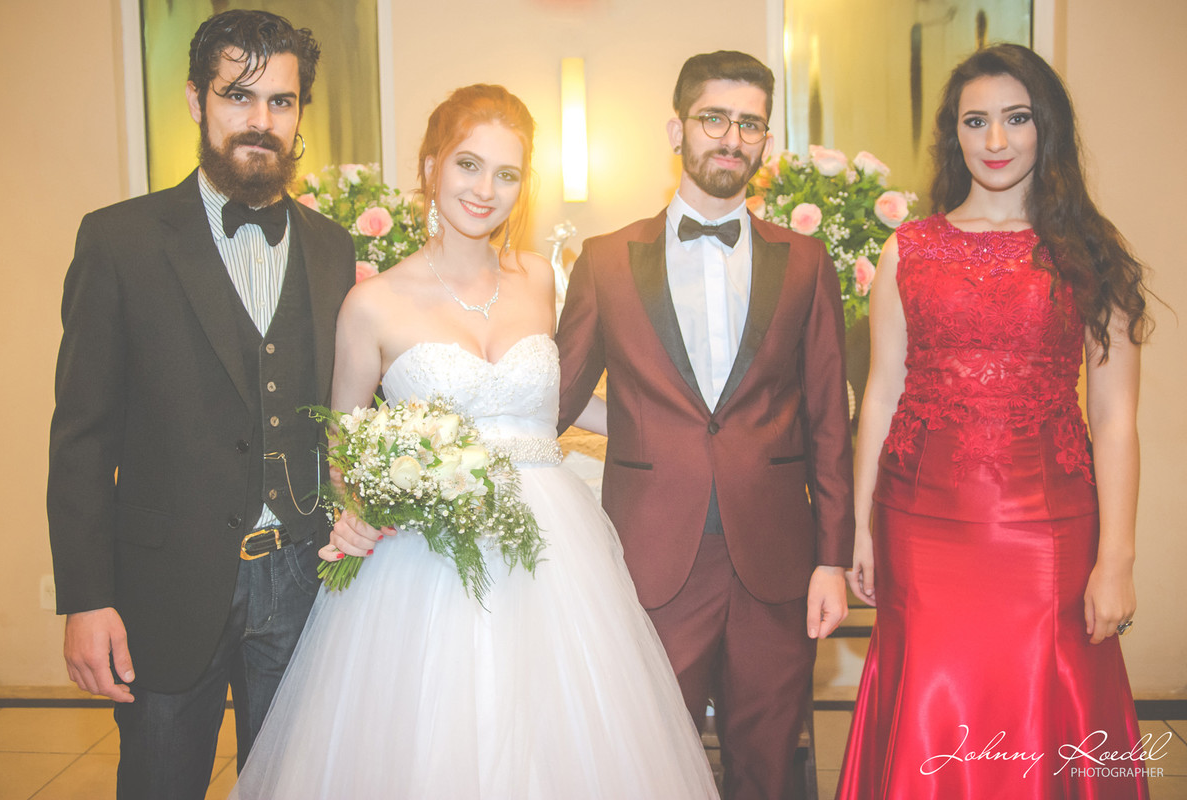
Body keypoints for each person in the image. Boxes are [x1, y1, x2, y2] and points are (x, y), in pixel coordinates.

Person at [229, 84, 720, 799]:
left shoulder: (539, 280)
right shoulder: (373, 303)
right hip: (426, 560)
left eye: (506, 173)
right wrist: (355, 507)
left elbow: (557, 404)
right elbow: (342, 444)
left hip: (553, 550)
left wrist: (678, 427)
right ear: (432, 167)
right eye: (468, 164)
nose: (485, 190)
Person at [47, 10, 355, 799]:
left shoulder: (333, 248)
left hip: (303, 582)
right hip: (166, 588)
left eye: (281, 101)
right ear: (195, 99)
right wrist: (87, 600)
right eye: (237, 96)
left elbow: (347, 414)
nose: (260, 120)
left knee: (292, 786)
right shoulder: (119, 242)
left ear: (300, 112)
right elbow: (82, 438)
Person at [836, 44, 1150, 799]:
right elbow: (881, 393)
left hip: (1048, 534)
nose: (997, 140)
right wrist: (859, 529)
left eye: (1017, 118)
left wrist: (1117, 559)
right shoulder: (908, 248)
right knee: (932, 697)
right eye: (976, 122)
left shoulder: (1091, 253)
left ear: (1048, 127)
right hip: (919, 526)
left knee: (1038, 707)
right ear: (955, 134)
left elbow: (1115, 419)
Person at [556, 51, 855, 799]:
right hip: (653, 557)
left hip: (777, 564)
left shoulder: (807, 261)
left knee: (768, 768)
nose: (731, 137)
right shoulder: (605, 261)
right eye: (713, 118)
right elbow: (553, 399)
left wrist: (833, 560)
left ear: (766, 141)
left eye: (749, 124)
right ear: (677, 129)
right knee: (652, 765)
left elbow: (828, 420)